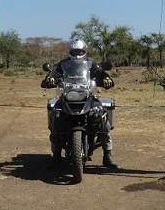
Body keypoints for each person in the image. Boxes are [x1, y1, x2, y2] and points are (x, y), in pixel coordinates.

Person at [41, 39, 118, 169]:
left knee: (102, 118)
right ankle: (56, 154)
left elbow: (101, 72)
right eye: (74, 51)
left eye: (80, 51)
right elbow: (54, 72)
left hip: (88, 95)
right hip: (67, 95)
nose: (77, 54)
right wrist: (50, 78)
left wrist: (106, 79)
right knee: (56, 117)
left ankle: (107, 155)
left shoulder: (91, 64)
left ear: (84, 51)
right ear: (70, 51)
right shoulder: (63, 64)